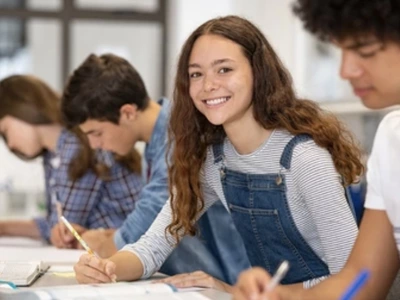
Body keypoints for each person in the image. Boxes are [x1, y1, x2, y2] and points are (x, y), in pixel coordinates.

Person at [72, 15, 364, 293]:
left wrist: (239, 291)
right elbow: (152, 246)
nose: (208, 85)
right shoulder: (213, 161)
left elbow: (355, 280)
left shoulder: (305, 159)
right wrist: (106, 267)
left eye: (224, 69)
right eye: (196, 74)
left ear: (258, 72)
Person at [233, 1, 400, 299]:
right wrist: (281, 296)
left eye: (365, 51)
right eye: (342, 49)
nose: (345, 70)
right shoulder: (392, 137)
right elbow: (362, 279)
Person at [60, 53, 251, 287]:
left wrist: (103, 243)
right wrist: (104, 241)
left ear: (128, 112)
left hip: (225, 282)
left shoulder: (179, 139)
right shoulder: (156, 142)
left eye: (96, 133)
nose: (94, 145)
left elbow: (136, 233)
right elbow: (152, 235)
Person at [0, 74, 143, 247]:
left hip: (134, 250)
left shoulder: (77, 146)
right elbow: (56, 224)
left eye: (6, 130)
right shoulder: (54, 154)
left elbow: (63, 230)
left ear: (23, 109)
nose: (10, 144)